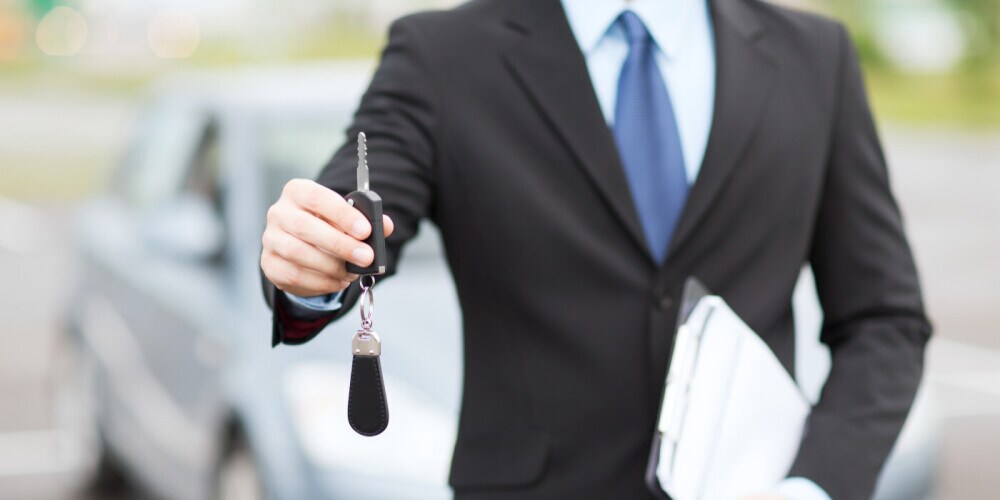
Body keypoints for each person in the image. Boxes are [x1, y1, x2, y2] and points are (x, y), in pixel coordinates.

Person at [260, 0, 931, 498]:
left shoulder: (817, 56)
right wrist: (315, 260)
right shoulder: (442, 54)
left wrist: (814, 486)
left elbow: (884, 319)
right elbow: (356, 205)